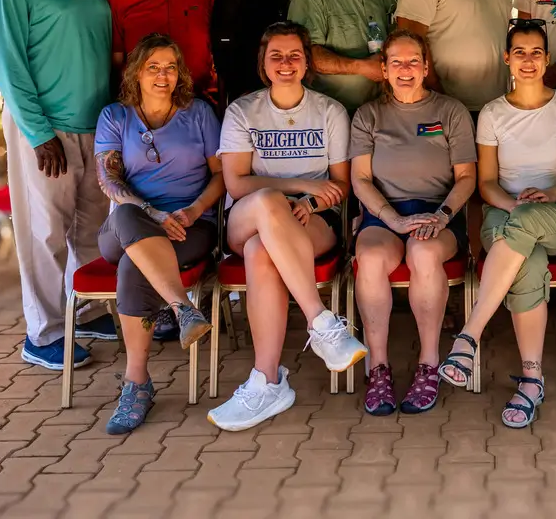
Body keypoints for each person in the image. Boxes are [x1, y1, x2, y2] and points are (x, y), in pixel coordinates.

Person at [208, 22, 368, 431]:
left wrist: (311, 202)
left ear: (307, 62)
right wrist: (299, 187)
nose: (285, 63)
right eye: (276, 56)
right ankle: (320, 321)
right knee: (265, 202)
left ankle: (268, 381)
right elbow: (237, 183)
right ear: (263, 63)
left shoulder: (330, 111)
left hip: (313, 218)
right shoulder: (243, 111)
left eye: (294, 55)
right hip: (248, 215)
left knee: (262, 252)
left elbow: (340, 183)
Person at [437, 19, 556, 427]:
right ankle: (532, 380)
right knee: (530, 262)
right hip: (503, 214)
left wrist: (549, 196)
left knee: (527, 230)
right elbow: (485, 183)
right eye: (519, 52)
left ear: (547, 59)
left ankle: (469, 335)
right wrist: (513, 205)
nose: (527, 60)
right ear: (507, 59)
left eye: (536, 52)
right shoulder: (491, 114)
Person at [0, 0, 116, 370]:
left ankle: (81, 310)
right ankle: (41, 333)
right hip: (44, 130)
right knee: (43, 233)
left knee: (90, 228)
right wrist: (39, 132)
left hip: (92, 126)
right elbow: (6, 60)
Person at [93, 34, 220, 434]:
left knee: (135, 264)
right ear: (136, 72)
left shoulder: (199, 113)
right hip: (129, 222)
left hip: (190, 225)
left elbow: (222, 177)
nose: (163, 75)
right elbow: (108, 179)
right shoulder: (116, 115)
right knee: (129, 217)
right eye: (153, 67)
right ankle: (182, 307)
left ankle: (136, 384)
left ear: (180, 72)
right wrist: (152, 212)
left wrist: (193, 209)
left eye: (170, 67)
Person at [349, 30, 477, 416]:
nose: (405, 69)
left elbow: (467, 177)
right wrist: (392, 218)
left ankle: (428, 365)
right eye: (396, 62)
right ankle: (379, 367)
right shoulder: (368, 114)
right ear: (383, 69)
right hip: (383, 212)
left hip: (440, 214)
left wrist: (442, 216)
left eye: (412, 62)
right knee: (370, 258)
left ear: (425, 67)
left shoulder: (450, 111)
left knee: (422, 253)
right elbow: (360, 179)